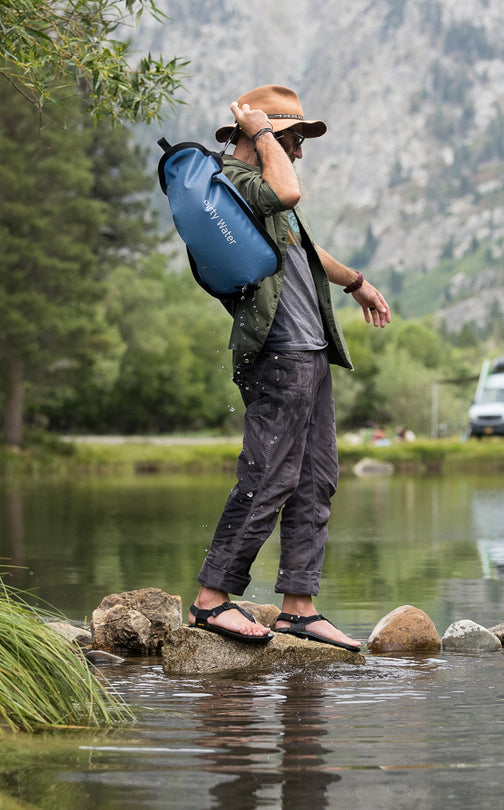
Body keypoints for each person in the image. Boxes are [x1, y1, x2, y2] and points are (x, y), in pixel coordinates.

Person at [187, 85, 391, 650]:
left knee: (316, 476)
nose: (298, 151)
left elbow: (302, 247)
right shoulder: (235, 182)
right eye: (293, 138)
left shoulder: (263, 193)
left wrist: (356, 282)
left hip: (310, 348)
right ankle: (211, 601)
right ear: (261, 135)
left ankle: (298, 607)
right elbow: (289, 190)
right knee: (268, 476)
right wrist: (260, 133)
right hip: (278, 353)